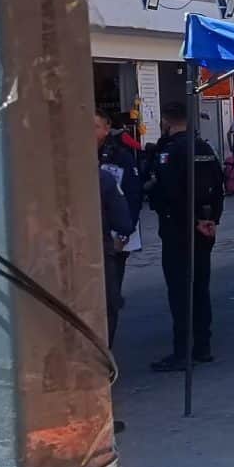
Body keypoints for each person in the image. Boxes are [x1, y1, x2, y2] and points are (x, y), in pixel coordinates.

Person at [146, 102, 225, 372]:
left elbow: (168, 193)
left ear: (166, 123)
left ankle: (183, 351)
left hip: (179, 230)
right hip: (205, 229)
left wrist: (190, 221)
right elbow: (219, 186)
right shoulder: (204, 147)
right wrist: (211, 220)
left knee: (180, 292)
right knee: (200, 288)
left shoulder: (169, 151)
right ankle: (203, 346)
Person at [95, 109, 142, 324]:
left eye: (96, 126)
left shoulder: (119, 157)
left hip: (113, 240)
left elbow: (132, 197)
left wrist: (123, 236)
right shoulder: (74, 155)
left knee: (109, 299)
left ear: (107, 129)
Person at [99, 167, 135, 348]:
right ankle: (103, 357)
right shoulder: (102, 178)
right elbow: (123, 222)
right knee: (107, 307)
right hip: (99, 253)